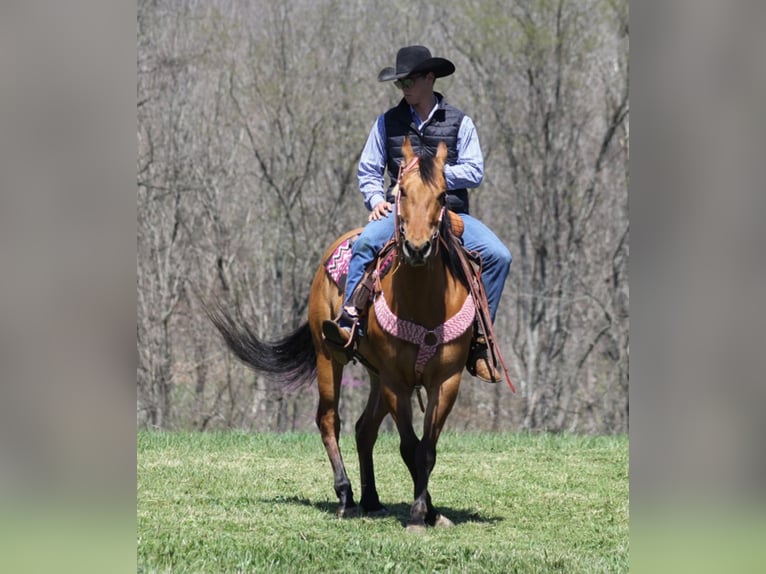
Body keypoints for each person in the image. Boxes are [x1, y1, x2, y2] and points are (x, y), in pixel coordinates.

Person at [322, 45, 511, 382]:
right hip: (403, 214)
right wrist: (375, 198)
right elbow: (368, 169)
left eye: (409, 82)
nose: (404, 89)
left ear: (429, 78)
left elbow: (475, 170)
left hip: (450, 212)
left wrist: (434, 178)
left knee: (499, 255)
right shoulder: (386, 123)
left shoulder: (460, 123)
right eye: (400, 84)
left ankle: (480, 341)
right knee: (365, 244)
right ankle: (349, 323)